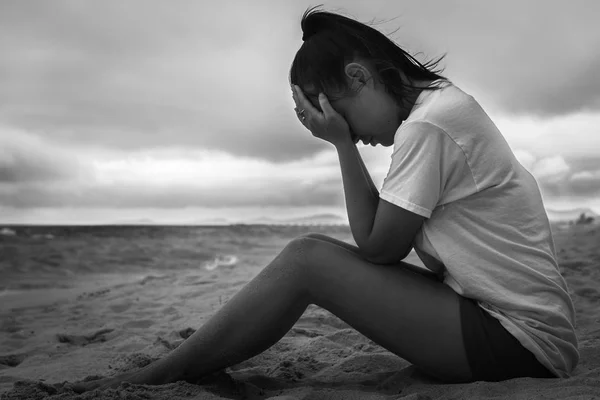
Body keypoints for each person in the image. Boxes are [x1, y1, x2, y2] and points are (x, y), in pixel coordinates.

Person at [72, 6, 578, 392]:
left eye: (335, 115)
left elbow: (379, 248)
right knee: (313, 247)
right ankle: (177, 368)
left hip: (518, 345)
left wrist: (339, 144)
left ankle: (166, 373)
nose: (351, 134)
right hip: (504, 328)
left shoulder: (430, 126)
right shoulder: (440, 112)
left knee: (307, 260)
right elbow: (375, 240)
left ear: (359, 78)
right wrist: (341, 136)